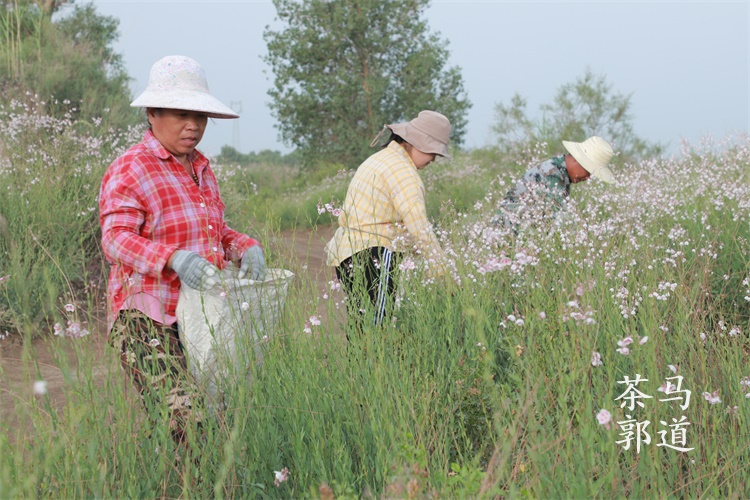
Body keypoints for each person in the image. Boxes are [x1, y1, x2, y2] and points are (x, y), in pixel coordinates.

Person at [99, 55, 266, 444]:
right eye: (180, 114)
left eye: (200, 116)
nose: (193, 125)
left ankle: (186, 483)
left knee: (218, 412)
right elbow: (115, 239)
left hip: (199, 315)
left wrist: (245, 246)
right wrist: (172, 258)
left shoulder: (201, 169)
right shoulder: (132, 167)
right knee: (188, 422)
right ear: (153, 114)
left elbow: (216, 230)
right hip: (145, 316)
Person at [324, 110, 451, 331]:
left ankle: (359, 365)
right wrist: (443, 273)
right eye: (433, 152)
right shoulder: (404, 173)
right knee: (376, 330)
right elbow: (419, 226)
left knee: (361, 326)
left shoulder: (380, 160)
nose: (433, 159)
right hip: (375, 255)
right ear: (416, 143)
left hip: (348, 252)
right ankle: (371, 365)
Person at [492, 136, 615, 230]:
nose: (588, 177)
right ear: (577, 160)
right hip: (507, 231)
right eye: (588, 171)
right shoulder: (552, 175)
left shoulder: (559, 172)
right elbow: (562, 219)